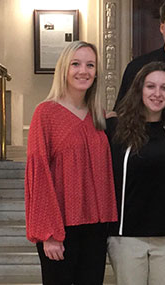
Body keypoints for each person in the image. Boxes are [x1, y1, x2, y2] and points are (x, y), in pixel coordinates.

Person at [24, 41, 118, 285]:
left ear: (97, 72)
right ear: (64, 68)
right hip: (61, 228)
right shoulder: (45, 114)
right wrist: (50, 233)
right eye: (76, 64)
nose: (83, 71)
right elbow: (39, 175)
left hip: (95, 228)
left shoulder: (98, 116)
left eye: (90, 65)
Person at [106, 61, 165, 285]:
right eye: (150, 86)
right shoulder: (115, 129)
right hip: (127, 235)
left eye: (164, 88)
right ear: (139, 89)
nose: (157, 93)